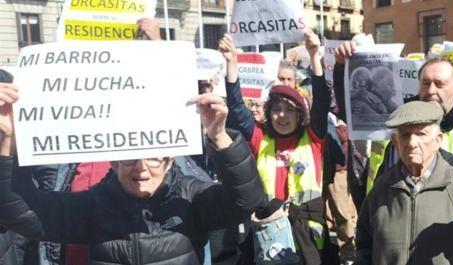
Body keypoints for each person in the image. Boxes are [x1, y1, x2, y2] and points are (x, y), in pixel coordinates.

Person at [0, 80, 267, 264]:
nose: (141, 168)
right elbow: (20, 213)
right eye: (128, 158)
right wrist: (8, 141)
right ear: (113, 162)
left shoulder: (189, 198)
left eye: (152, 156)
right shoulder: (95, 205)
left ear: (171, 158)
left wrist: (220, 138)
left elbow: (246, 200)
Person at [222, 31, 331, 264]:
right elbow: (238, 110)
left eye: (290, 109)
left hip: (308, 239)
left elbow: (322, 101)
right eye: (276, 109)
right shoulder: (260, 139)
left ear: (300, 114)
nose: (282, 116)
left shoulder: (313, 138)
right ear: (269, 112)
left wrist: (314, 56)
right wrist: (231, 64)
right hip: (269, 234)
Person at [333, 41, 453, 189]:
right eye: (425, 83)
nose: (431, 91)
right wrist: (341, 66)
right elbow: (353, 113)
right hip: (383, 207)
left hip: (438, 215)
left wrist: (426, 149)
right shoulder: (397, 109)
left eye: (439, 84)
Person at [355, 101, 453, 265]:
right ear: (395, 142)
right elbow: (364, 245)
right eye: (405, 135)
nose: (412, 143)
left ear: (438, 140)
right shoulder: (382, 187)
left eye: (421, 134)